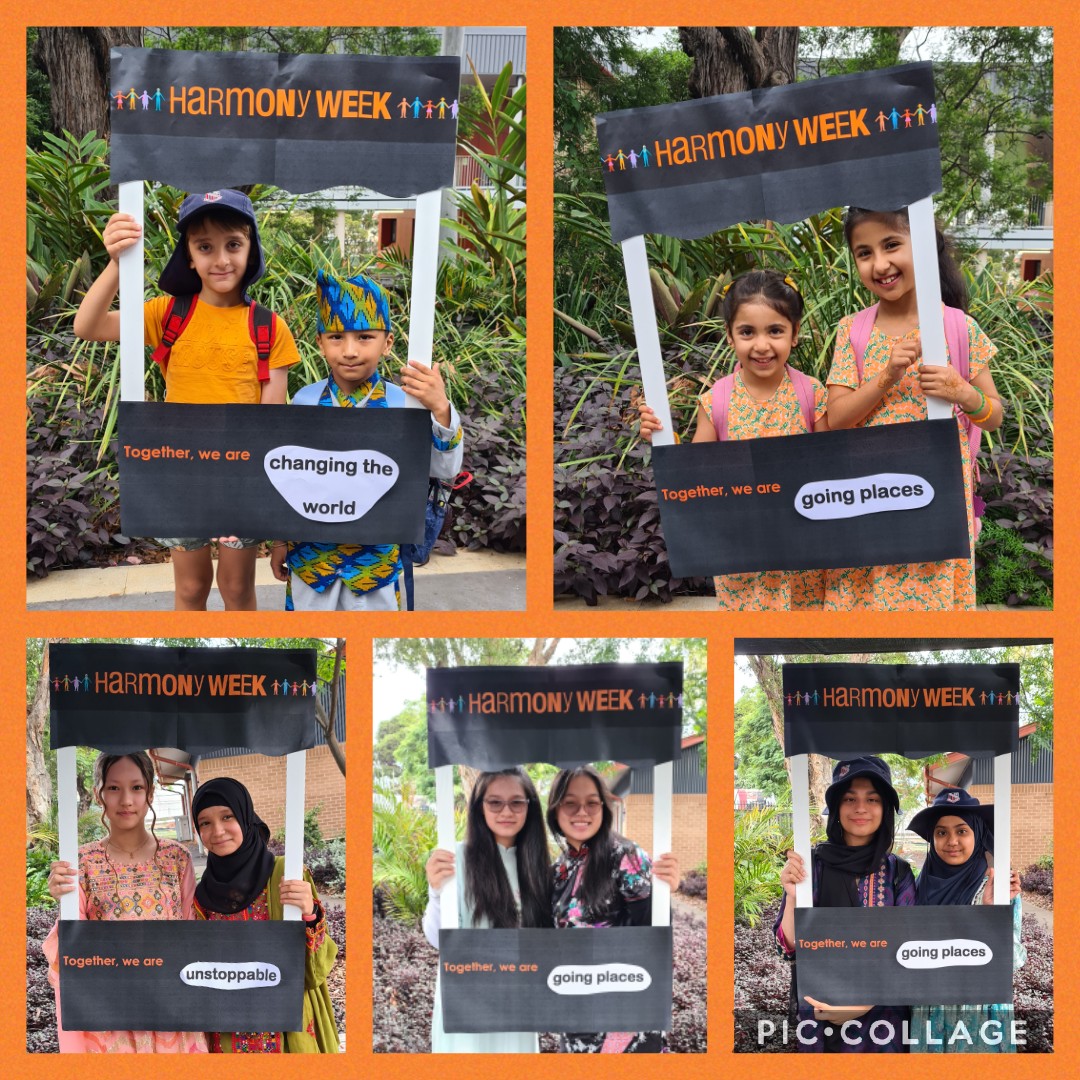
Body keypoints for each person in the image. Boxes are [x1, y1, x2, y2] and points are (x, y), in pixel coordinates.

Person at [73, 189, 301, 611]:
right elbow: (88, 325)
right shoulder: (167, 314)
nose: (220, 259)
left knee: (236, 590)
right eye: (204, 247)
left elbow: (274, 428)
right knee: (191, 589)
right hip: (182, 475)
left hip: (243, 479)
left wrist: (279, 526)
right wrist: (115, 263)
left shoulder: (270, 327)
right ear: (189, 257)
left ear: (251, 251)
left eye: (233, 244)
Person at [823, 207, 1003, 610]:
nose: (880, 264)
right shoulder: (852, 330)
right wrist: (887, 374)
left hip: (935, 507)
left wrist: (963, 392)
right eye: (864, 252)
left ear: (920, 246)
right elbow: (836, 418)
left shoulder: (958, 327)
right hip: (867, 504)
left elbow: (993, 415)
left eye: (891, 245)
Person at [270, 269, 463, 610]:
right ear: (319, 342)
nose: (349, 350)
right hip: (312, 565)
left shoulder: (406, 402)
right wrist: (279, 540)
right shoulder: (305, 401)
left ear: (387, 342)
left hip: (376, 569)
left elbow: (443, 467)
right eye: (335, 337)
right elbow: (291, 480)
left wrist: (441, 410)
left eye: (364, 337)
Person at [638, 270, 827, 610]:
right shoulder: (717, 400)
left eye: (775, 331)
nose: (761, 345)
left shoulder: (811, 393)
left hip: (804, 553)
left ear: (795, 333)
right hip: (742, 559)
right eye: (747, 332)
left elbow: (832, 465)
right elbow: (697, 472)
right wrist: (662, 435)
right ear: (729, 335)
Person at [43, 752, 208, 1053]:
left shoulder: (176, 858)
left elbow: (191, 935)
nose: (126, 800)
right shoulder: (81, 862)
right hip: (110, 1017)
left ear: (150, 793)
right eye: (114, 788)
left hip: (170, 1011)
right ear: (98, 794)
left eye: (136, 788)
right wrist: (62, 900)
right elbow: (71, 946)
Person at [776, 756, 915, 1053]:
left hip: (882, 1020)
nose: (861, 808)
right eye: (850, 798)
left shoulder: (898, 873)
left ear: (885, 809)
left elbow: (908, 950)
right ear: (837, 808)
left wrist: (862, 1004)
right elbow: (789, 945)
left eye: (872, 799)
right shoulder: (811, 866)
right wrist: (791, 898)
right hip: (819, 1012)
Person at [191, 778, 339, 1053]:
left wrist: (310, 913)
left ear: (246, 818)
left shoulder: (285, 874)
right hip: (227, 1037)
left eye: (227, 817)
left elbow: (315, 972)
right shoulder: (201, 896)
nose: (218, 831)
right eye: (205, 823)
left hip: (285, 1034)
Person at [546, 765, 680, 1053]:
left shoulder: (625, 856)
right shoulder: (557, 869)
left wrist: (663, 891)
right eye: (570, 802)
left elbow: (654, 935)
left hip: (622, 1013)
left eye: (592, 803)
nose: (582, 811)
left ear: (603, 809)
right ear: (555, 809)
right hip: (575, 1008)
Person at [423, 768, 551, 1052]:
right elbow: (437, 940)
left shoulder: (541, 870)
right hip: (465, 1004)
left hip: (518, 1004)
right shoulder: (453, 859)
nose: (506, 811)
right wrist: (435, 891)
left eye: (517, 802)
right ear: (479, 807)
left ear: (530, 807)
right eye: (494, 802)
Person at [908, 788, 1025, 1053]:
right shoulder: (916, 888)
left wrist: (990, 913)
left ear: (978, 834)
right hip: (929, 1017)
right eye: (941, 832)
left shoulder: (998, 887)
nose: (951, 841)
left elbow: (1014, 961)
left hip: (980, 1020)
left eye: (962, 831)